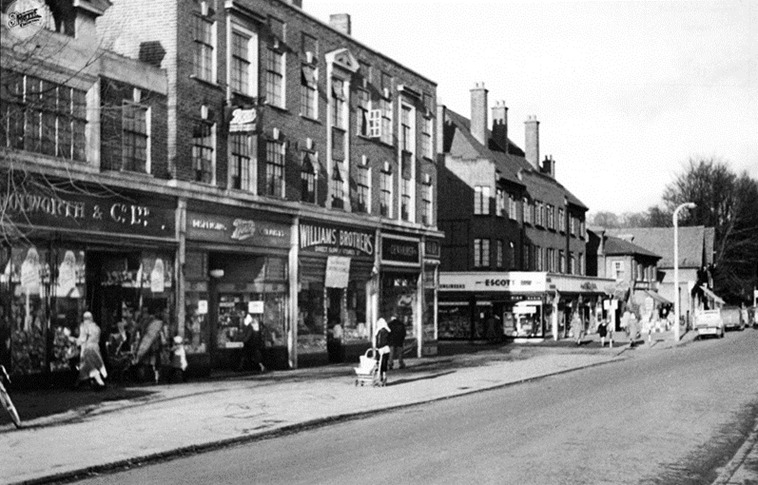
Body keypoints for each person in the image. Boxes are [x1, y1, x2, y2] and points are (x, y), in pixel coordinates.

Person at [74, 312, 107, 389]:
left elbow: (83, 339)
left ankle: (100, 382)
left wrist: (75, 341)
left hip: (87, 349)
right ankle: (78, 383)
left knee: (89, 366)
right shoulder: (96, 327)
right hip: (95, 348)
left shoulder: (84, 326)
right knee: (89, 365)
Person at [374, 318, 391, 385]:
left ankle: (380, 377)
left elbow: (379, 341)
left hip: (381, 349)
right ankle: (384, 376)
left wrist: (378, 347)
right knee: (384, 363)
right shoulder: (387, 330)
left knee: (380, 363)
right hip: (386, 349)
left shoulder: (379, 331)